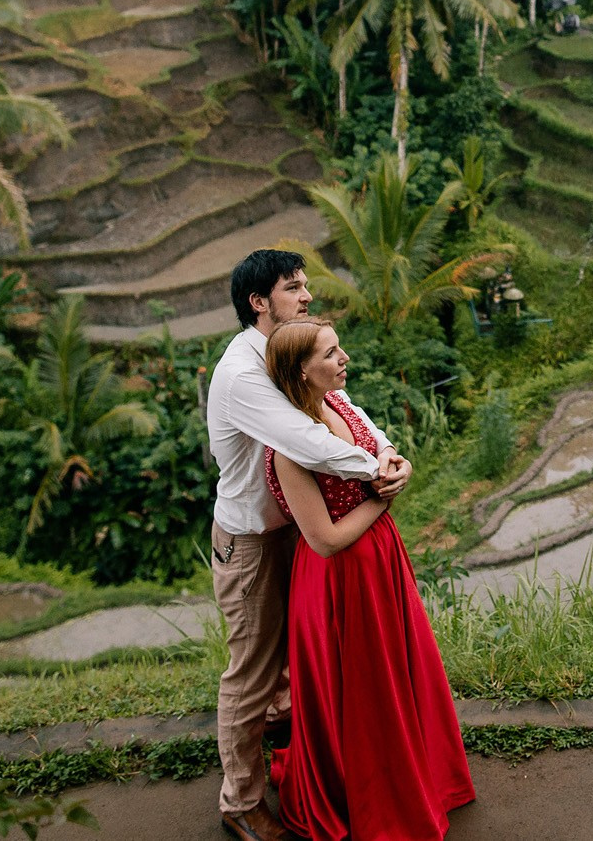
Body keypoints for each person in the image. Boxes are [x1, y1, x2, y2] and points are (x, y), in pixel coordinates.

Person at [205, 250, 413, 841]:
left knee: (294, 665)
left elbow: (340, 410)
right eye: (293, 287)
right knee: (251, 671)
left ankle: (292, 746)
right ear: (258, 302)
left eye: (305, 285)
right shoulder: (244, 372)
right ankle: (241, 801)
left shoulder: (285, 354)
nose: (307, 295)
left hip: (293, 529)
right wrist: (379, 473)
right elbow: (307, 440)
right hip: (251, 541)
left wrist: (386, 451)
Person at [263, 317, 473, 841]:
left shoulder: (337, 403)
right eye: (331, 354)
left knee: (398, 674)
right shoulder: (288, 448)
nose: (344, 359)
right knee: (364, 694)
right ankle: (376, 797)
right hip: (340, 579)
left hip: (379, 559)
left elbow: (379, 448)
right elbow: (325, 540)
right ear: (300, 372)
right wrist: (384, 499)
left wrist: (396, 466)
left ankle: (421, 774)